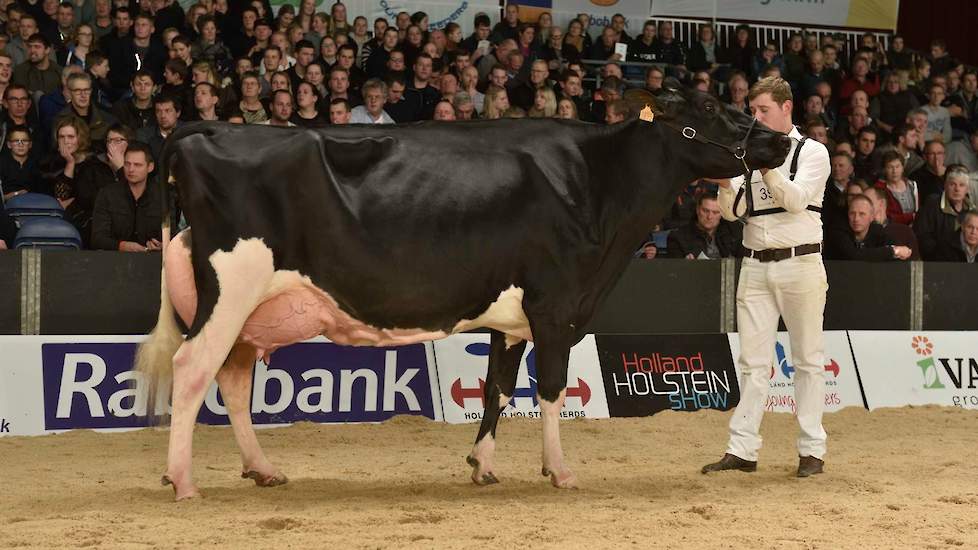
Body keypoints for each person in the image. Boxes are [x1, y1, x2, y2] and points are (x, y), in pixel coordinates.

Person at [702, 76, 831, 478]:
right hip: (754, 264)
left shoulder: (814, 153)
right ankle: (742, 449)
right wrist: (726, 183)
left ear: (786, 107)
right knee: (752, 362)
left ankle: (812, 450)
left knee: (807, 360)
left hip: (802, 264)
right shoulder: (748, 155)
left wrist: (767, 167)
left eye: (763, 111)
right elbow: (735, 211)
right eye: (752, 111)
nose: (755, 117)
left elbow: (795, 202)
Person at [90, 141, 162, 251]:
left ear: (150, 167)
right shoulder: (107, 194)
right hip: (114, 261)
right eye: (127, 164)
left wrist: (161, 246)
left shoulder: (162, 196)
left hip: (153, 261)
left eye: (137, 165)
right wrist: (122, 246)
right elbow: (97, 238)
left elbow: (171, 235)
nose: (131, 169)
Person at [823, 194, 911, 261]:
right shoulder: (838, 230)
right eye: (852, 213)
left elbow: (902, 250)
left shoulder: (877, 230)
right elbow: (854, 255)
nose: (856, 219)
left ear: (872, 217)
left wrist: (898, 250)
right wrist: (892, 251)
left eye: (862, 214)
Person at [915, 166, 975, 260]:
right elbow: (923, 237)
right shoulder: (932, 204)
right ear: (945, 186)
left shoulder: (972, 211)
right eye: (952, 184)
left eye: (961, 185)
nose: (957, 189)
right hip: (937, 261)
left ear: (967, 189)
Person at [667, 194, 742, 259]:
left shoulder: (733, 233)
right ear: (697, 210)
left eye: (715, 212)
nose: (709, 217)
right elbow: (674, 272)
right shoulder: (678, 238)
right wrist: (686, 265)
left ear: (722, 214)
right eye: (705, 211)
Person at [864, 186, 921, 260]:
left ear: (881, 203)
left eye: (868, 201)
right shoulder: (861, 230)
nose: (862, 205)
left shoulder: (904, 231)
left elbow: (915, 264)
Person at [875, 150, 919, 226]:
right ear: (885, 169)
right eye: (890, 167)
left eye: (897, 166)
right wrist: (910, 217)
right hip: (892, 229)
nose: (894, 171)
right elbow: (885, 217)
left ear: (902, 168)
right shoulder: (879, 189)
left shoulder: (912, 185)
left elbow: (917, 211)